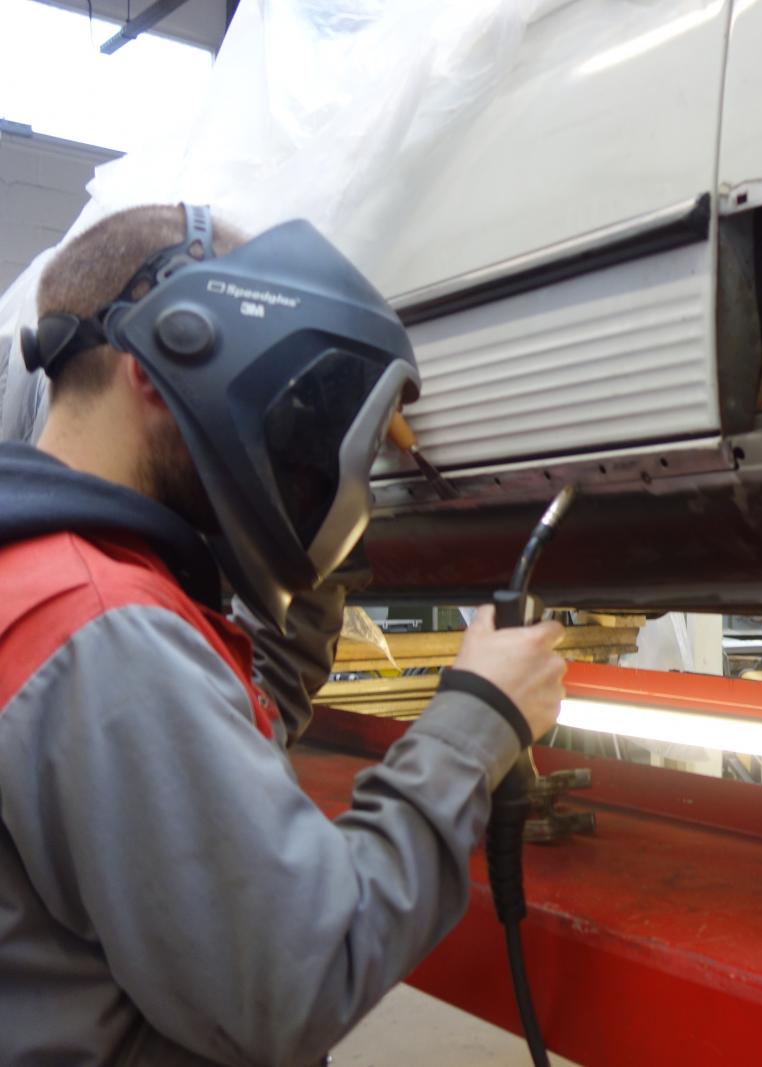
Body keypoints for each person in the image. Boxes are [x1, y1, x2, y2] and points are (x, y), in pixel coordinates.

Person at [0, 203, 566, 1064]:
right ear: (163, 359)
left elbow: (230, 732)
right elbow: (298, 974)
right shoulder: (104, 626)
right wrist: (476, 719)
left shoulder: (44, 580)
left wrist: (319, 513)